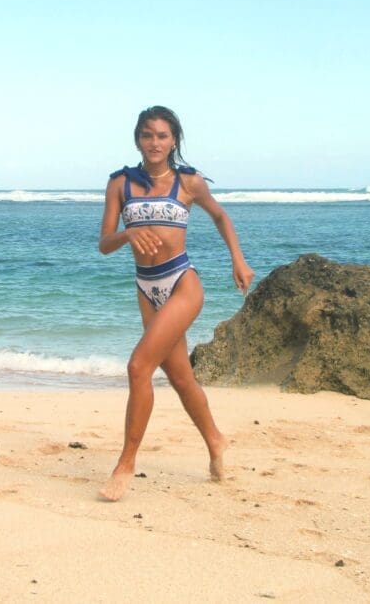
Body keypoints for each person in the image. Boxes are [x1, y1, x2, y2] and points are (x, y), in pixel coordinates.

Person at [98, 105, 255, 501]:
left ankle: (126, 464)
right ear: (138, 139)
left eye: (163, 136)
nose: (155, 142)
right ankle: (216, 441)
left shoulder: (188, 182)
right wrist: (127, 236)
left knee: (138, 367)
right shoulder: (120, 184)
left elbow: (220, 217)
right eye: (148, 135)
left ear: (174, 141)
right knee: (181, 377)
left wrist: (238, 259)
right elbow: (104, 244)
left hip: (182, 282)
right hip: (146, 287)